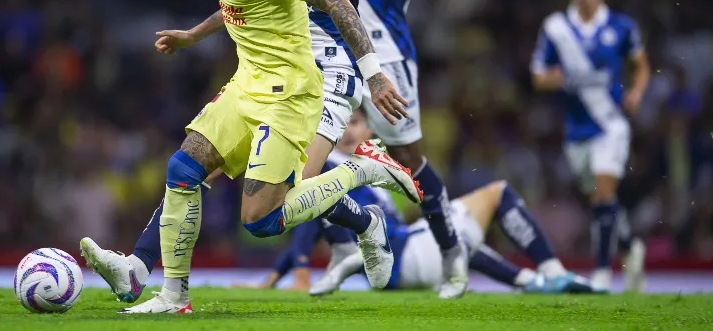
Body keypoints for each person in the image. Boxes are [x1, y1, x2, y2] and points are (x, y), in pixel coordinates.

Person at [82, 0, 423, 315]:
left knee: (260, 222)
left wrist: (377, 76)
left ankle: (361, 170)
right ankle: (172, 295)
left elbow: (336, 1)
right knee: (184, 168)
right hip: (248, 85)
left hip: (290, 94)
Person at [250, 111, 597, 296]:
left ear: (371, 128)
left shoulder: (363, 166)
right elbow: (310, 216)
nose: (348, 130)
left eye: (356, 122)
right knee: (498, 194)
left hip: (402, 260)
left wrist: (277, 275)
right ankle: (551, 272)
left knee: (456, 244)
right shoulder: (328, 166)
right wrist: (295, 269)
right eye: (344, 122)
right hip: (403, 254)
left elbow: (316, 215)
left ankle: (535, 282)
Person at [339, 0, 467, 298]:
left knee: (409, 157)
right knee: (308, 148)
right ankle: (349, 240)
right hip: (337, 49)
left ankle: (453, 255)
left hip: (385, 51)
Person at [530, 0, 650, 292]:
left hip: (610, 123)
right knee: (601, 201)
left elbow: (640, 65)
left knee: (603, 194)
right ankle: (630, 247)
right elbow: (538, 76)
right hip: (576, 129)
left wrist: (638, 92)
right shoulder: (556, 28)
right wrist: (553, 79)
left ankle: (601, 271)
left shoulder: (621, 26)